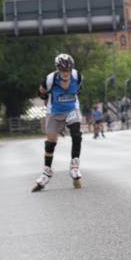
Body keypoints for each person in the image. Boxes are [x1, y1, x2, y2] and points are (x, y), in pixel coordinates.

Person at [33, 53, 84, 191]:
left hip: (72, 109)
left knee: (77, 135)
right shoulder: (50, 79)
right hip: (54, 111)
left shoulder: (77, 76)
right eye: (63, 71)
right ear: (58, 70)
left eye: (68, 70)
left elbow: (79, 90)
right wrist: (46, 97)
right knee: (50, 144)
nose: (66, 73)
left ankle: (74, 166)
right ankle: (47, 171)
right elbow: (41, 92)